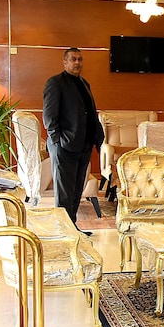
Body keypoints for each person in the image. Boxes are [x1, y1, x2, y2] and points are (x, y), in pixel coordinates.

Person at [43, 48, 103, 226]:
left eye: (80, 59)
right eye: (73, 59)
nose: (77, 63)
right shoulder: (55, 83)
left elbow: (89, 112)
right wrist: (58, 141)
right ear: (65, 62)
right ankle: (63, 229)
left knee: (77, 191)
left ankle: (72, 227)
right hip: (64, 146)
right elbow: (49, 117)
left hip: (83, 146)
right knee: (64, 194)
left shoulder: (84, 83)